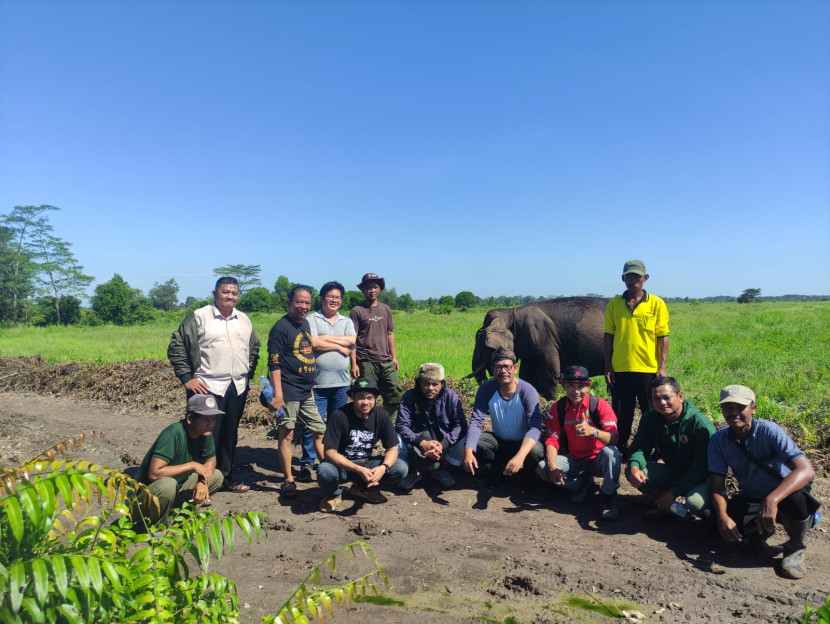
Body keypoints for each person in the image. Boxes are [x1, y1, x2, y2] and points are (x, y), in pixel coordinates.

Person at [709, 384, 818, 580]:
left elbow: (806, 470)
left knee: (797, 500)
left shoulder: (769, 431)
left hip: (784, 495)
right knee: (713, 519)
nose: (734, 413)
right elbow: (717, 486)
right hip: (752, 496)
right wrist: (722, 515)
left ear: (753, 408)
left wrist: (772, 500)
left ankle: (795, 547)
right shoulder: (718, 441)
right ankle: (760, 532)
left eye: (740, 407)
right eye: (728, 407)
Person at [167, 276, 260, 493]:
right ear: (215, 293)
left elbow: (254, 348)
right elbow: (176, 346)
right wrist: (187, 378)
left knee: (229, 435)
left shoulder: (244, 319)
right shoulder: (199, 317)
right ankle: (197, 483)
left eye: (234, 293)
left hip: (236, 386)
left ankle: (226, 477)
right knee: (203, 434)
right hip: (206, 386)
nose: (230, 296)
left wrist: (248, 375)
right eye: (226, 292)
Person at [536, 366, 621, 520]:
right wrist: (552, 466)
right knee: (543, 468)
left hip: (597, 460)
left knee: (611, 453)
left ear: (588, 386)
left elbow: (614, 438)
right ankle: (583, 485)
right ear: (564, 386)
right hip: (574, 460)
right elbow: (552, 439)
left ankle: (608, 497)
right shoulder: (558, 408)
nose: (576, 391)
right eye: (571, 386)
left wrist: (593, 432)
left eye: (581, 386)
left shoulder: (600, 405)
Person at [626, 377, 716, 520]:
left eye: (666, 398)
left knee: (695, 504)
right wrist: (634, 466)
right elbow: (640, 447)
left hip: (700, 477)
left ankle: (711, 515)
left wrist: (674, 491)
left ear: (680, 396)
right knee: (635, 471)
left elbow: (702, 467)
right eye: (656, 399)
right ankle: (670, 509)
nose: (662, 403)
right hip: (673, 471)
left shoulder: (701, 425)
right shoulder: (650, 418)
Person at [267, 285, 327, 499]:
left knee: (319, 430)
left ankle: (327, 473)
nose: (303, 306)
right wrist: (278, 395)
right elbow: (274, 364)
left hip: (305, 391)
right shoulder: (280, 328)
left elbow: (306, 353)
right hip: (288, 391)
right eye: (299, 302)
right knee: (287, 434)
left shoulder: (306, 324)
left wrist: (309, 387)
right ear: (289, 302)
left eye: (307, 303)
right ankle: (288, 480)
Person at [603, 259, 669, 452]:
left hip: (648, 369)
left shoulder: (656, 303)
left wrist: (662, 367)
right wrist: (608, 367)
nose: (632, 280)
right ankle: (620, 447)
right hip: (620, 369)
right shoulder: (614, 304)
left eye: (636, 276)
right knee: (621, 412)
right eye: (629, 276)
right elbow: (608, 336)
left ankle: (653, 449)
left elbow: (662, 336)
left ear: (645, 278)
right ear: (623, 278)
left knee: (652, 411)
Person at [295, 281, 356, 483]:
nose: (334, 300)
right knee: (312, 424)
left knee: (337, 424)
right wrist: (340, 345)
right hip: (317, 383)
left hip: (341, 384)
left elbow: (352, 340)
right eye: (330, 297)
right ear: (322, 298)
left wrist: (326, 340)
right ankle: (306, 461)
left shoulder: (346, 320)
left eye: (337, 297)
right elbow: (311, 342)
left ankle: (332, 459)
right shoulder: (311, 319)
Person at [316, 378, 408, 512]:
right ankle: (333, 494)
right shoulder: (339, 416)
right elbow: (329, 452)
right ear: (352, 397)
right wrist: (357, 469)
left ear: (376, 398)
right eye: (361, 397)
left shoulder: (381, 415)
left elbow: (392, 449)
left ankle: (363, 488)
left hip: (367, 462)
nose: (366, 402)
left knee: (400, 468)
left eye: (370, 398)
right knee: (324, 471)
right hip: (342, 465)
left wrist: (383, 467)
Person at [134, 394, 225, 525]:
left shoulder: (205, 432)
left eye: (213, 419)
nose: (211, 424)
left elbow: (210, 461)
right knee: (168, 485)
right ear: (190, 419)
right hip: (144, 501)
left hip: (176, 490)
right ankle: (158, 528)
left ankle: (180, 519)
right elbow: (154, 473)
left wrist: (202, 483)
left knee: (216, 476)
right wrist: (192, 465)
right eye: (206, 419)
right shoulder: (173, 433)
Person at [464, 347, 544, 484]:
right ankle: (495, 470)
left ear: (515, 368)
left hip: (522, 442)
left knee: (535, 451)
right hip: (499, 441)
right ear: (492, 369)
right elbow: (476, 422)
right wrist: (468, 450)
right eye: (498, 367)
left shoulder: (527, 391)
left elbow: (535, 428)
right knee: (474, 442)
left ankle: (528, 478)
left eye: (507, 367)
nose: (503, 371)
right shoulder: (486, 389)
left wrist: (520, 456)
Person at [396, 362, 468, 490]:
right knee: (397, 438)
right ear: (419, 383)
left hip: (443, 442)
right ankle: (412, 470)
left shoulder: (450, 396)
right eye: (426, 383)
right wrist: (420, 442)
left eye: (435, 384)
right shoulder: (410, 396)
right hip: (417, 441)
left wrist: (443, 444)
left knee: (465, 439)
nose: (430, 388)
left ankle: (440, 468)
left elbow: (460, 425)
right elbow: (402, 425)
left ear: (442, 384)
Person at [349, 273, 403, 419]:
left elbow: (390, 334)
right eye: (368, 288)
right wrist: (354, 364)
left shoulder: (386, 309)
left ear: (379, 289)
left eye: (375, 287)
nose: (372, 290)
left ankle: (387, 425)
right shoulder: (357, 310)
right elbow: (352, 339)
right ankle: (367, 426)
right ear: (363, 290)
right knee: (366, 396)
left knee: (394, 393)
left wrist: (394, 358)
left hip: (385, 360)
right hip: (366, 361)